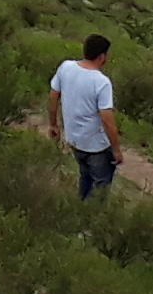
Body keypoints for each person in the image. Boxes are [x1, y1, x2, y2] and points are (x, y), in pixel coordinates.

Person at [50, 34, 120, 201]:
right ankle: (93, 221)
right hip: (96, 146)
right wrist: (116, 149)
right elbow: (107, 119)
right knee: (101, 186)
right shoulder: (101, 82)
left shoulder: (66, 67)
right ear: (102, 56)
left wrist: (53, 124)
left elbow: (53, 96)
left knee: (85, 177)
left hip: (74, 139)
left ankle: (81, 211)